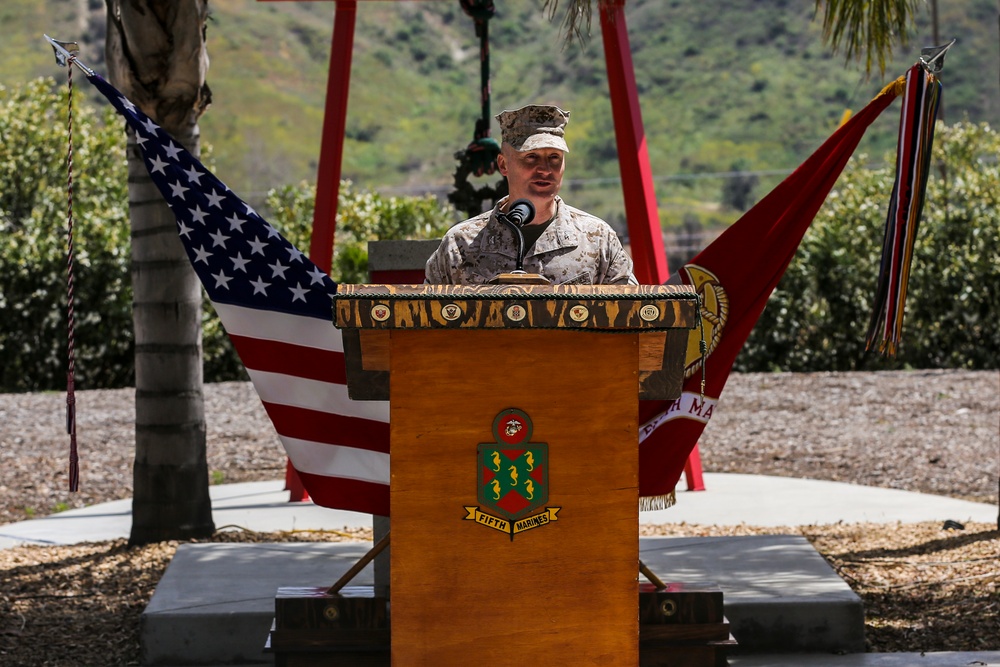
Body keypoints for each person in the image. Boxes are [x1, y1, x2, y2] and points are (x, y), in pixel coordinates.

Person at [425, 104, 637, 285]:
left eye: (554, 157)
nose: (545, 169)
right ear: (503, 164)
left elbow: (631, 316)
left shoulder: (598, 239)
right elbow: (426, 321)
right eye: (531, 157)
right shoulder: (461, 244)